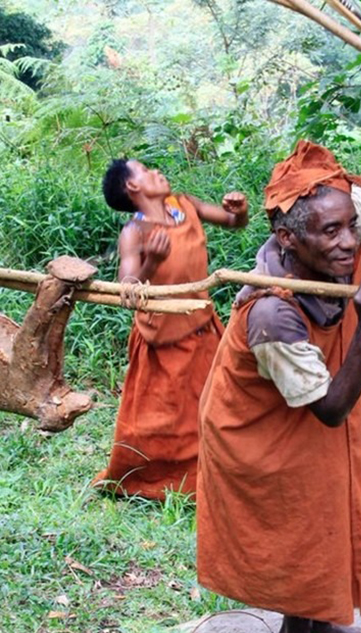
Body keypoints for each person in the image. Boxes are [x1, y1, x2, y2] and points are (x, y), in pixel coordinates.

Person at [196, 70, 361, 633]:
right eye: (331, 232)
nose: (348, 241)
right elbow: (332, 409)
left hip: (308, 403)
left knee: (326, 501)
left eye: (350, 227)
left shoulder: (327, 229)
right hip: (261, 429)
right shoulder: (272, 314)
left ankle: (316, 622)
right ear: (289, 241)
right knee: (297, 508)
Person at [92, 159, 247, 499]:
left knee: (211, 406)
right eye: (146, 171)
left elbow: (233, 222)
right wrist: (154, 263)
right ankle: (148, 478)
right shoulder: (135, 232)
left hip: (201, 327)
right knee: (158, 418)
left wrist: (239, 210)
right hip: (160, 338)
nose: (157, 171)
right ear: (133, 187)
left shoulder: (186, 205)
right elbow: (128, 286)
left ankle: (211, 474)